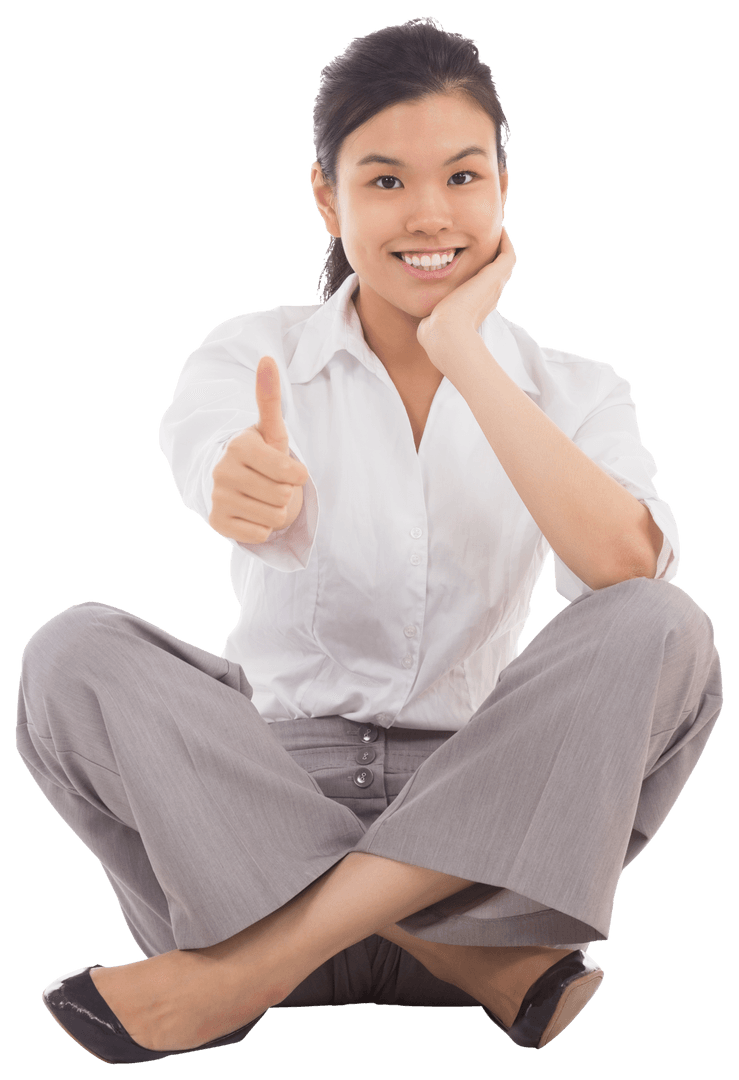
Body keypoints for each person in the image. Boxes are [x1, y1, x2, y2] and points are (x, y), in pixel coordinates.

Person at [15, 14, 723, 1064]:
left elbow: (621, 570)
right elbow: (212, 452)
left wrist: (464, 353)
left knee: (666, 627)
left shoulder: (578, 390)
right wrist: (237, 481)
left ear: (502, 189)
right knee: (68, 653)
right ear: (325, 197)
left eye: (462, 177)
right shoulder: (252, 353)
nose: (427, 214)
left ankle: (252, 974)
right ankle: (432, 949)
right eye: (385, 181)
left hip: (482, 859)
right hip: (244, 855)